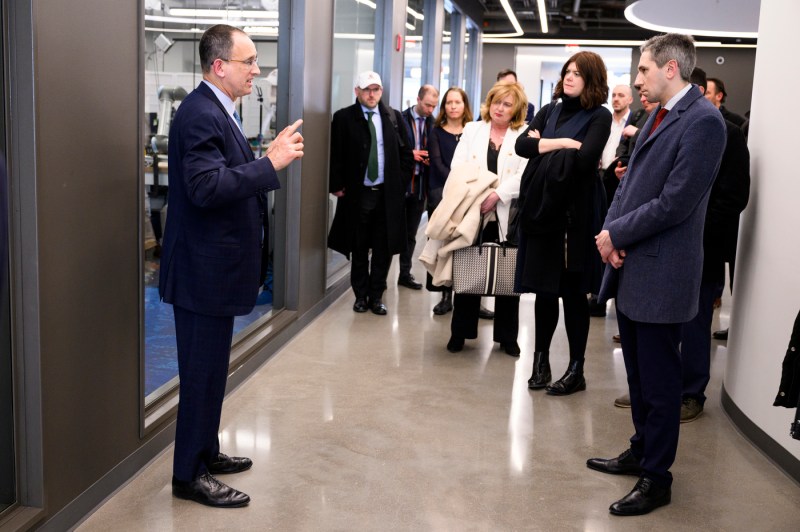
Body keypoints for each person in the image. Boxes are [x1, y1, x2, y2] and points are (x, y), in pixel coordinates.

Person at [159, 24, 304, 508]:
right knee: (200, 375)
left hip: (213, 271)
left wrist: (264, 157)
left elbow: (220, 174)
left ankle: (205, 451)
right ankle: (189, 476)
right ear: (220, 66)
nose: (257, 70)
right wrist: (270, 165)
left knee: (211, 373)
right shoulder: (201, 113)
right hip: (202, 274)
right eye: (249, 62)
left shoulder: (219, 110)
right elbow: (204, 188)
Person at [588, 33, 727, 516]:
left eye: (644, 70)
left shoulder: (705, 123)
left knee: (662, 380)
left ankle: (657, 476)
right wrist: (613, 234)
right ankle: (641, 449)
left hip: (664, 270)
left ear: (671, 69)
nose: (637, 79)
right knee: (640, 376)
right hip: (633, 264)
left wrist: (617, 235)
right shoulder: (657, 114)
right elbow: (630, 185)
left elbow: (676, 203)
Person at [514, 51, 612, 395]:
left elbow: (586, 161)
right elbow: (521, 145)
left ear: (591, 79)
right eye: (567, 71)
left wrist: (544, 146)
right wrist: (565, 143)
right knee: (543, 291)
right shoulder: (550, 109)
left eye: (577, 73)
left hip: (576, 215)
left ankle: (576, 369)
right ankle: (540, 364)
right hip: (543, 211)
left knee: (572, 293)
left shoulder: (600, 115)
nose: (569, 78)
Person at [430, 81, 528, 355]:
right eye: (496, 101)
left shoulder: (522, 135)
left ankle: (508, 337)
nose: (500, 108)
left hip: (507, 212)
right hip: (473, 210)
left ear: (516, 109)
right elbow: (457, 167)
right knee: (468, 270)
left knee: (508, 275)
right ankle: (460, 333)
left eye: (507, 104)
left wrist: (498, 195)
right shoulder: (473, 130)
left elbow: (526, 174)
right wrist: (481, 192)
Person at [327, 71, 414, 315]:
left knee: (383, 248)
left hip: (386, 196)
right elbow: (335, 156)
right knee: (359, 247)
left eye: (376, 89)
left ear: (381, 92)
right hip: (358, 196)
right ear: (357, 92)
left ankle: (376, 296)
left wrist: (399, 182)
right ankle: (360, 296)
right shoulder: (344, 118)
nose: (372, 94)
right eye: (366, 89)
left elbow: (407, 154)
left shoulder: (393, 117)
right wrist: (336, 184)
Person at [425, 87, 474, 315]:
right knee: (442, 245)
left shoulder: (474, 131)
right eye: (449, 102)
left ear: (465, 105)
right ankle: (445, 296)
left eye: (458, 102)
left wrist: (465, 187)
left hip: (470, 195)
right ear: (444, 107)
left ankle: (472, 293)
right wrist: (456, 186)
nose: (453, 106)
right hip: (442, 194)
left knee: (468, 245)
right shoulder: (436, 132)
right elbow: (436, 163)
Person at [589, 84, 634, 317]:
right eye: (613, 95)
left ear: (630, 100)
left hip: (619, 184)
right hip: (599, 179)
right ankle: (596, 294)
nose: (616, 99)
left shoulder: (633, 123)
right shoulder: (603, 121)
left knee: (614, 235)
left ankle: (609, 295)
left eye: (621, 96)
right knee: (598, 234)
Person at [398, 85, 439, 290]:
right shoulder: (399, 119)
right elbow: (391, 148)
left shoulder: (436, 124)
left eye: (434, 106)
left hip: (421, 186)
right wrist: (410, 154)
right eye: (427, 105)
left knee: (410, 235)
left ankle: (404, 274)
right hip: (400, 185)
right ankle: (379, 279)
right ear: (418, 99)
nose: (430, 109)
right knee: (391, 232)